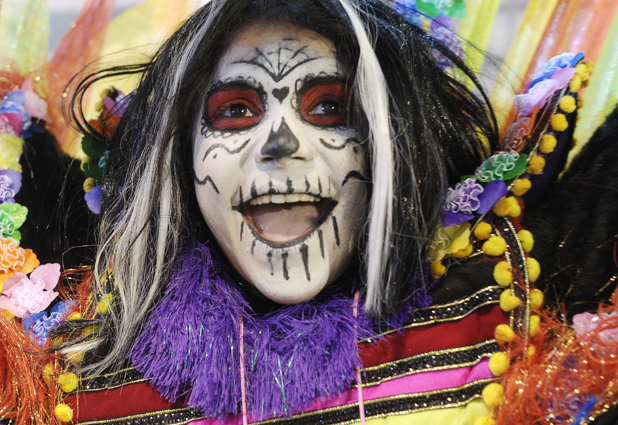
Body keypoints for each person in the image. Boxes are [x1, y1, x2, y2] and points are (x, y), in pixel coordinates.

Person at [2, 1, 617, 424]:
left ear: (390, 144)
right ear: (178, 161)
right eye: (236, 110)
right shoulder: (90, 369)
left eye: (327, 107)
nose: (280, 143)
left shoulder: (496, 302)